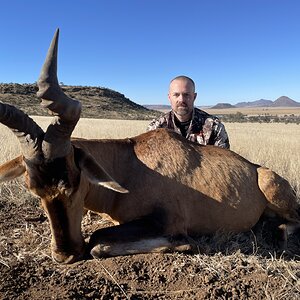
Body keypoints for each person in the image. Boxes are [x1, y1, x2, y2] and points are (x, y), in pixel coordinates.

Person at [147, 76, 230, 149]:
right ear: (169, 97)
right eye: (176, 95)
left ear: (194, 97)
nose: (181, 100)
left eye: (186, 95)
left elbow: (224, 161)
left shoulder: (214, 126)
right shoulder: (155, 128)